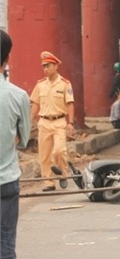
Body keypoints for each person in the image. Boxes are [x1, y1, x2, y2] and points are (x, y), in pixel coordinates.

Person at [0, 29, 31, 259]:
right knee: (6, 243)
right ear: (6, 60)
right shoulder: (19, 96)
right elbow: (25, 138)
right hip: (7, 180)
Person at [30, 51, 75, 192]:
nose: (45, 69)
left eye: (48, 66)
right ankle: (48, 182)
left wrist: (71, 123)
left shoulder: (65, 84)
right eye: (43, 67)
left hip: (59, 121)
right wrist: (29, 121)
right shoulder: (40, 85)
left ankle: (62, 172)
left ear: (56, 66)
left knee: (59, 150)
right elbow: (35, 104)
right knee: (44, 155)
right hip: (44, 122)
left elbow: (70, 104)